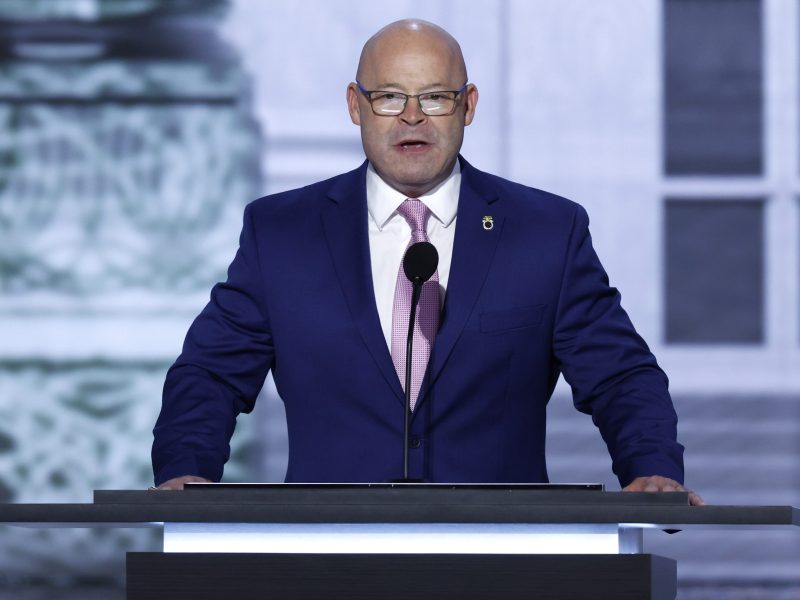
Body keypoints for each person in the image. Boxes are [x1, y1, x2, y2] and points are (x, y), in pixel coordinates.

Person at [152, 19, 702, 505]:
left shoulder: (546, 233)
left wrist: (651, 471)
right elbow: (211, 374)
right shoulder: (281, 233)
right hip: (326, 555)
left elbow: (621, 377)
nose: (412, 117)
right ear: (354, 105)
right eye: (389, 96)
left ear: (469, 105)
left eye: (435, 97)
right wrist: (186, 472)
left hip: (504, 559)